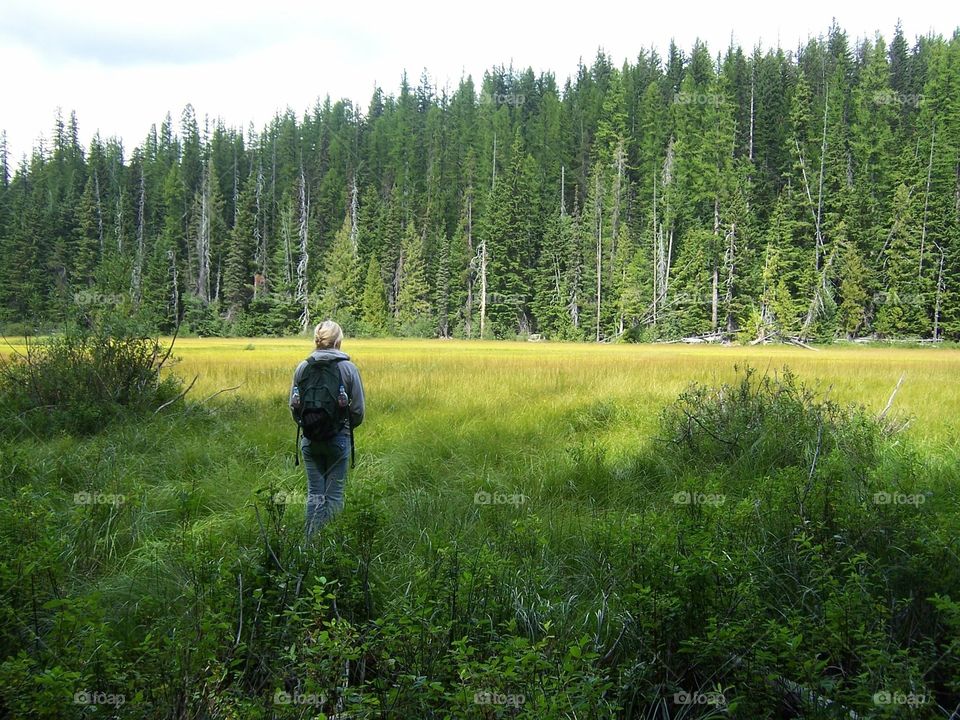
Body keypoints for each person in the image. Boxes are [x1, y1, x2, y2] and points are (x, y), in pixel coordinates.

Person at [290, 320, 365, 537]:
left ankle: (310, 543)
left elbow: (294, 407)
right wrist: (344, 427)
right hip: (339, 439)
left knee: (315, 494)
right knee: (334, 495)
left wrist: (309, 425)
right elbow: (358, 410)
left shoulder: (303, 367)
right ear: (338, 340)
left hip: (309, 440)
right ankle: (330, 546)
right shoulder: (348, 368)